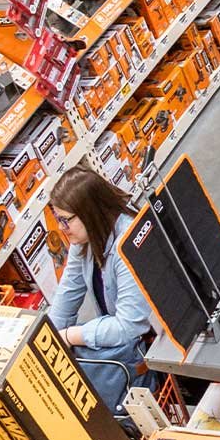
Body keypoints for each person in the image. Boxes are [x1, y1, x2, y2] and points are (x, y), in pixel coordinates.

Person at [44, 169, 154, 413]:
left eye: (65, 220)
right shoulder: (84, 240)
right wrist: (46, 340)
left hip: (149, 346)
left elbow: (128, 327)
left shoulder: (127, 246)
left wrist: (69, 336)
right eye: (57, 218)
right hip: (124, 342)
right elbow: (67, 295)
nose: (61, 227)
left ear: (89, 212)